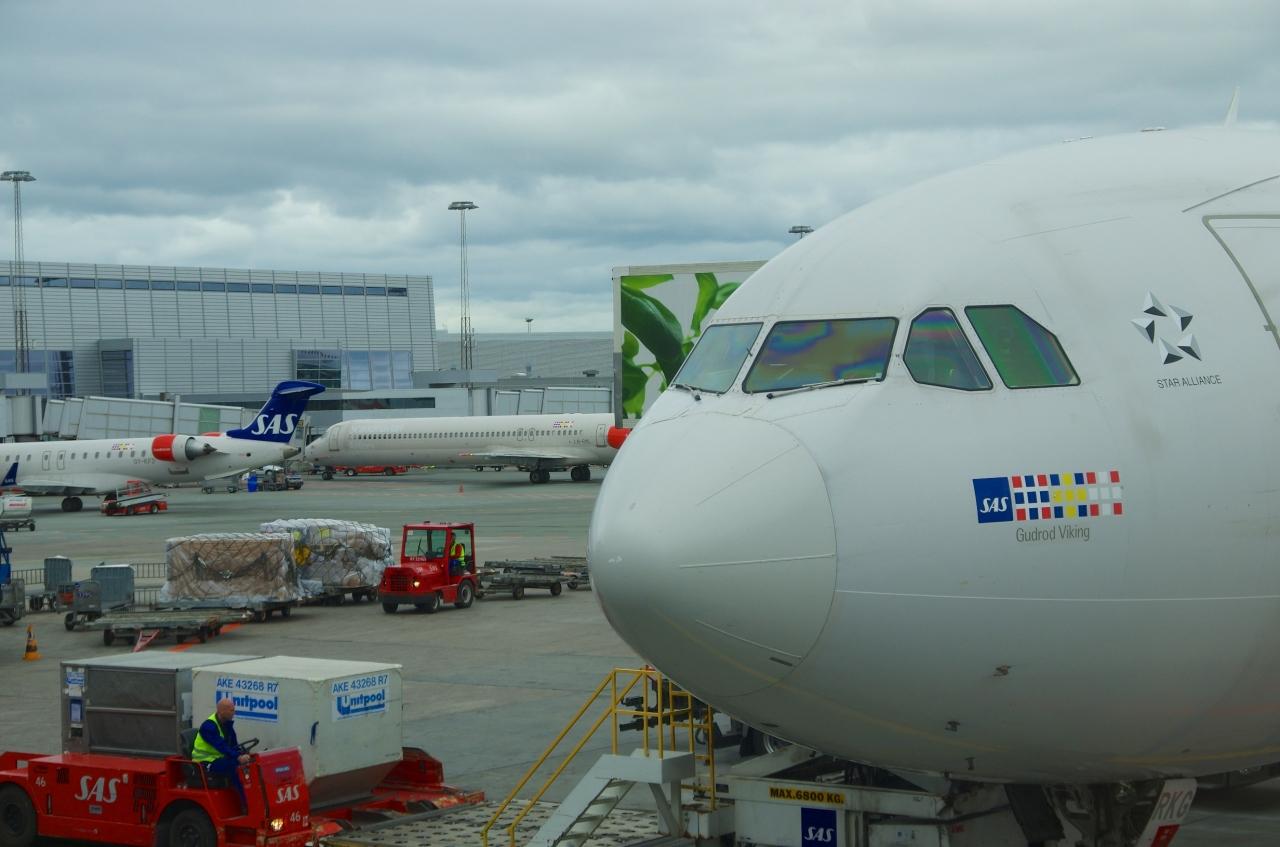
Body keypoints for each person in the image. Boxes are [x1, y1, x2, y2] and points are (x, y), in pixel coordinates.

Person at [191, 697, 250, 812]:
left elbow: (233, 745)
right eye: (231, 710)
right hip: (204, 762)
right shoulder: (208, 726)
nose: (234, 712)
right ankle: (245, 804)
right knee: (233, 767)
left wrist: (243, 753)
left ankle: (248, 798)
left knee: (248, 765)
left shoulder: (227, 724)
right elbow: (222, 746)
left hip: (218, 759)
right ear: (222, 711)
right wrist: (238, 757)